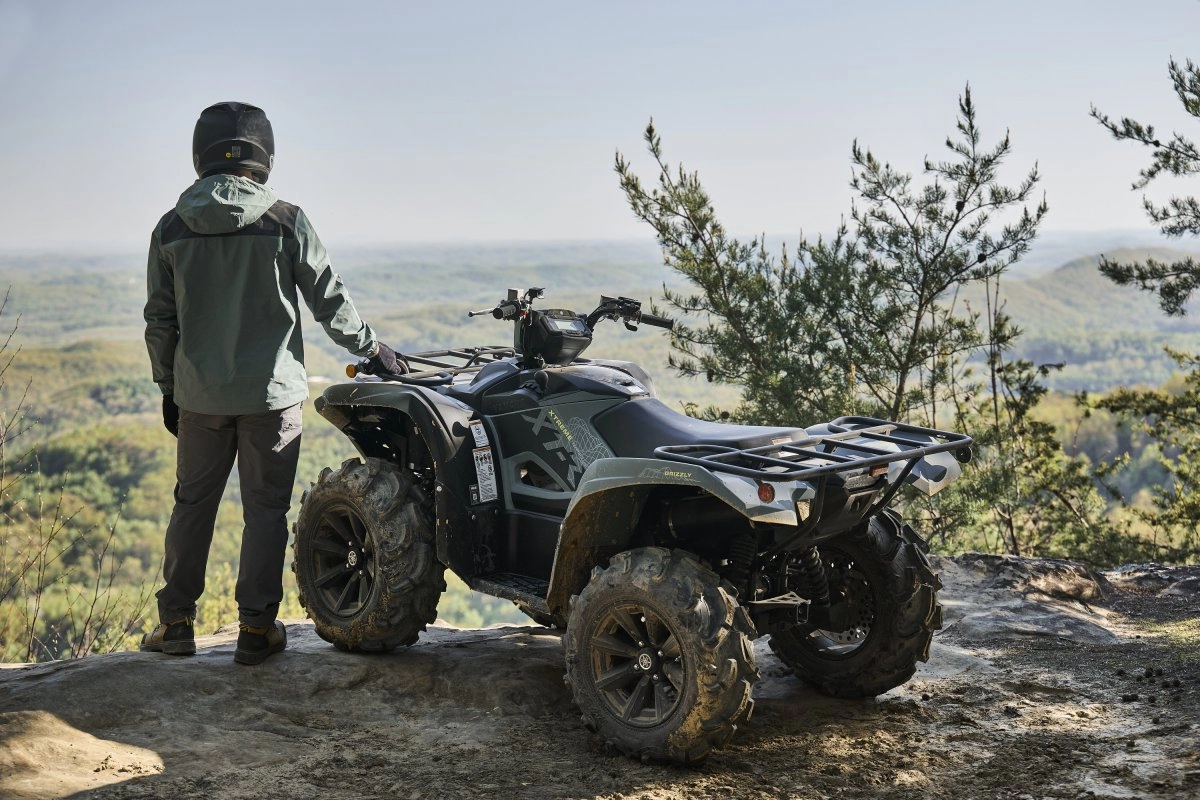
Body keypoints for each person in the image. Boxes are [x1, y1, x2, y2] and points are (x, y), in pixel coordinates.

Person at [141, 101, 399, 665]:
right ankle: (256, 631)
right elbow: (329, 300)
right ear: (265, 156)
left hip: (200, 398)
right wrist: (371, 349)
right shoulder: (285, 221)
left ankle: (175, 624)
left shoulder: (171, 227)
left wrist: (169, 388)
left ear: (200, 155)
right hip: (271, 398)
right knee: (265, 512)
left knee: (192, 506)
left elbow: (160, 321)